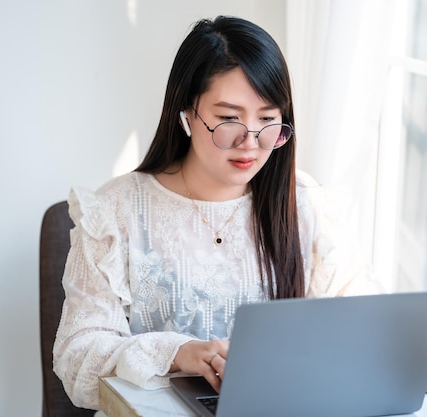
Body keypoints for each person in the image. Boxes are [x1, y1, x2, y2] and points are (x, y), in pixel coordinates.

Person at [53, 15, 373, 411]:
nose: (250, 143)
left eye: (268, 120)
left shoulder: (306, 205)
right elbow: (77, 360)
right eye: (228, 119)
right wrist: (175, 352)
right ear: (187, 113)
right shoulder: (116, 212)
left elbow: (360, 330)